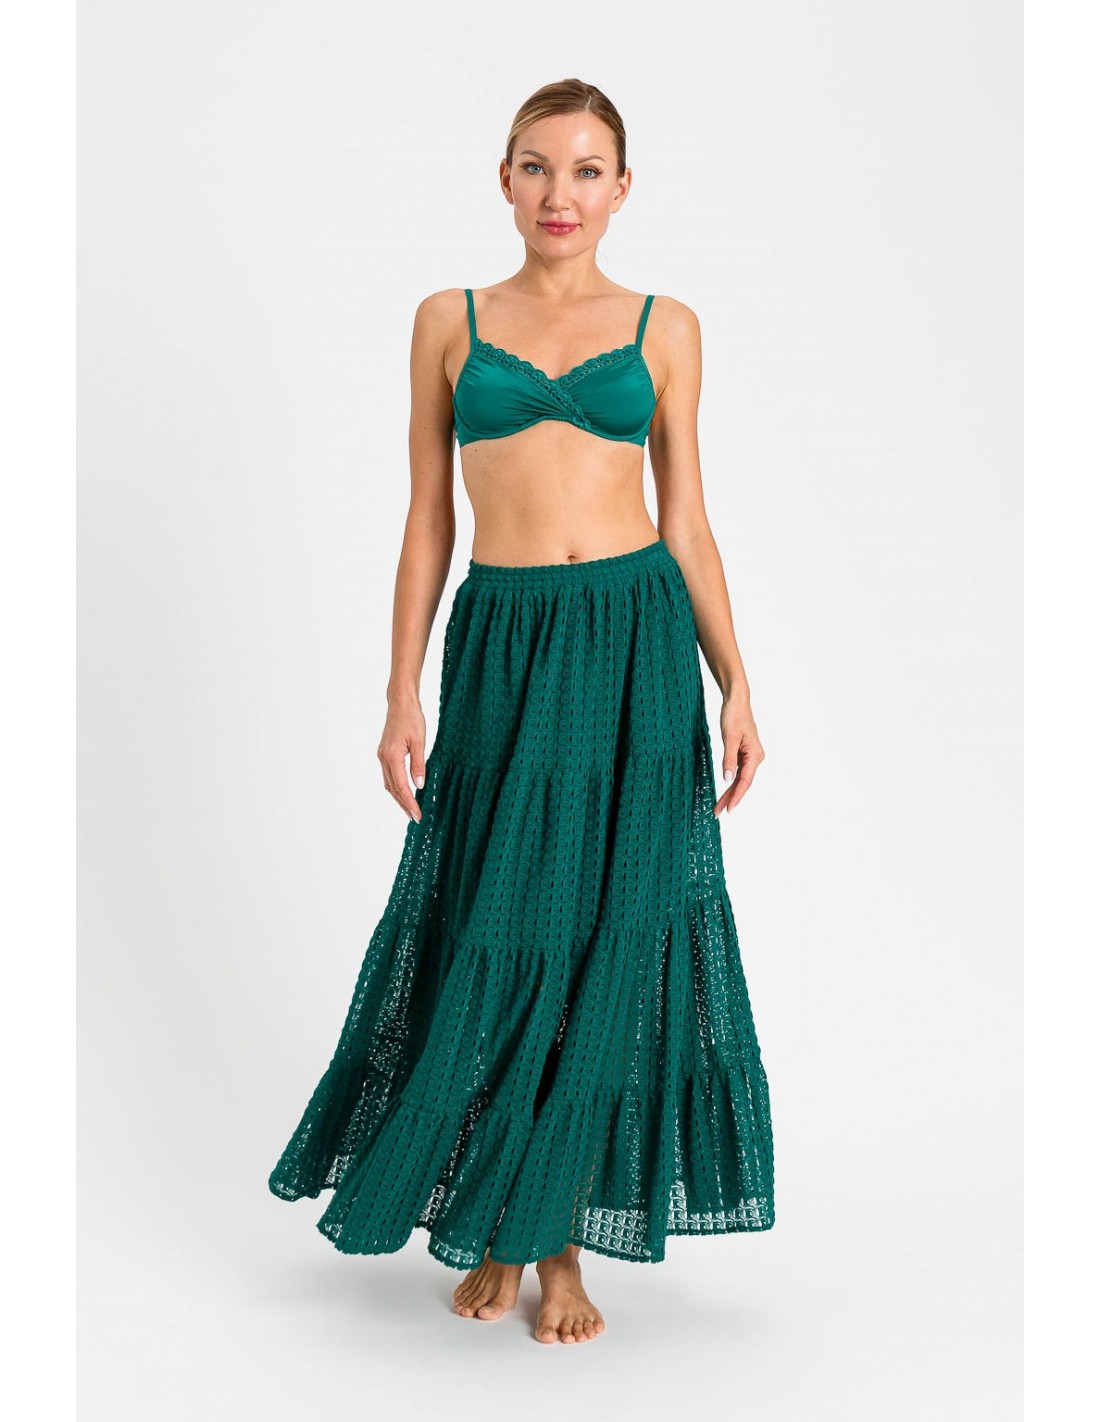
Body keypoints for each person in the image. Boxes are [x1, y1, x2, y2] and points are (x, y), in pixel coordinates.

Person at [268, 77, 775, 1347]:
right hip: (503, 640)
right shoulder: (448, 320)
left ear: (621, 188)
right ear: (503, 180)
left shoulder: (665, 327)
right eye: (538, 167)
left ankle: (553, 1250)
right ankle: (500, 1218)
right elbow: (426, 519)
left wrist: (735, 680)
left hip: (633, 640)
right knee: (494, 921)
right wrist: (400, 688)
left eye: (587, 170)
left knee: (608, 936)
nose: (562, 193)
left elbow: (688, 522)